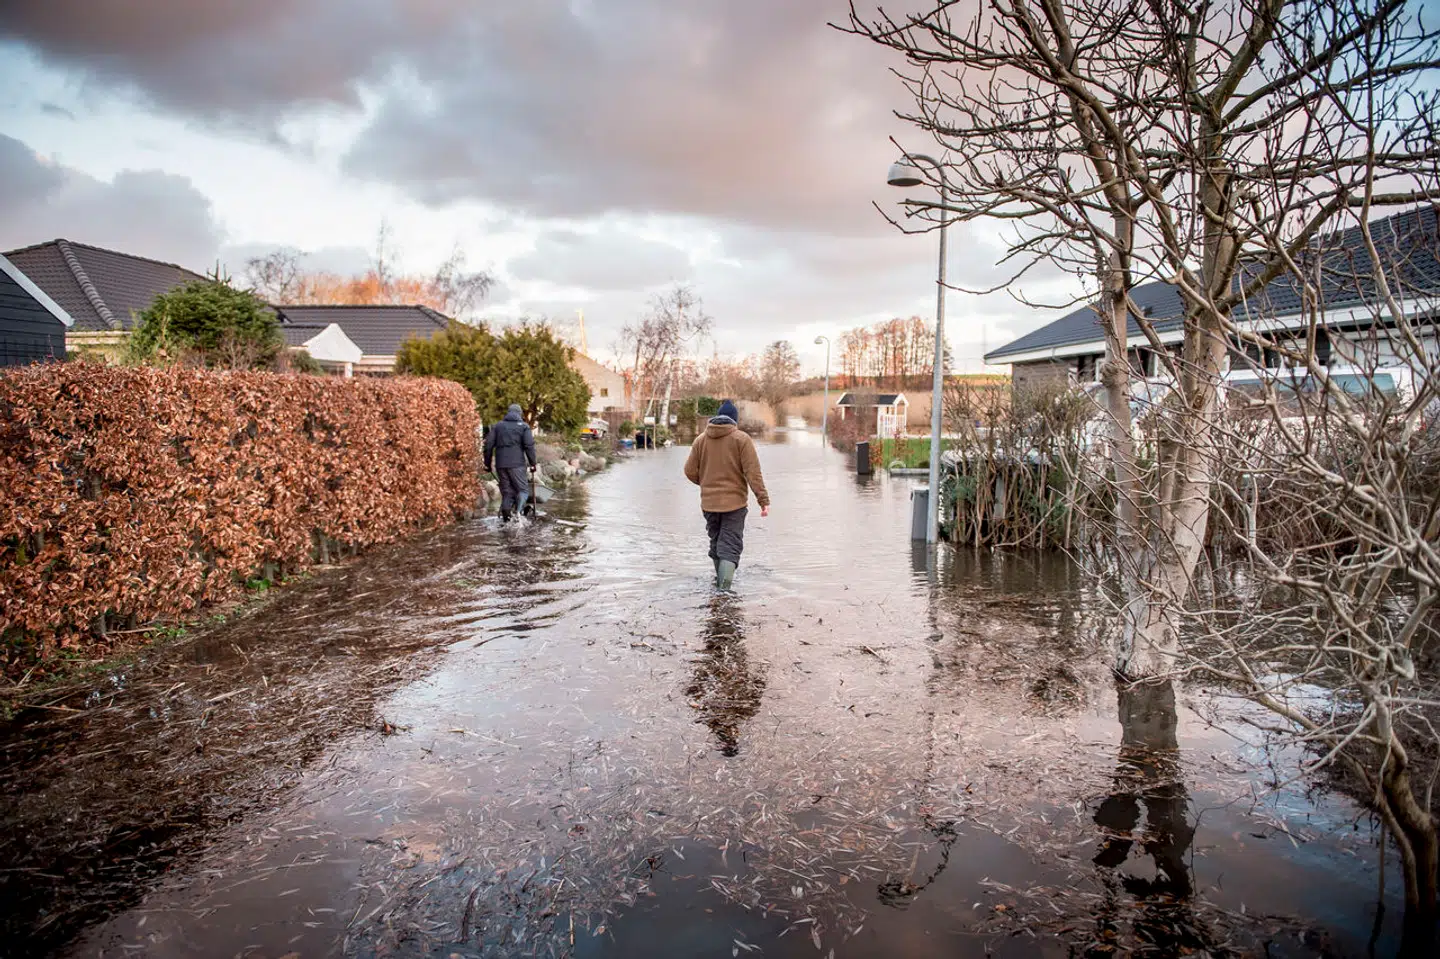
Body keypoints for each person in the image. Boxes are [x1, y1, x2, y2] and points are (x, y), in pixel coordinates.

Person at [684, 399, 770, 589]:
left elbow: (689, 471)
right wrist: (763, 500)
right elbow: (753, 473)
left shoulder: (700, 440)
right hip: (734, 505)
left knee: (716, 545)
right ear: (734, 421)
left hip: (709, 505)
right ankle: (724, 595)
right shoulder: (741, 439)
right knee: (730, 547)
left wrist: (706, 483)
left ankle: (718, 590)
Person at [484, 404, 537, 521]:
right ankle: (518, 514)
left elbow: (488, 446)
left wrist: (487, 464)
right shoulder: (524, 427)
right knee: (523, 490)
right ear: (520, 414)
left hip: (501, 464)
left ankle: (506, 519)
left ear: (508, 413)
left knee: (507, 492)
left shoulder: (498, 426)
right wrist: (533, 463)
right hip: (517, 464)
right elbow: (529, 446)